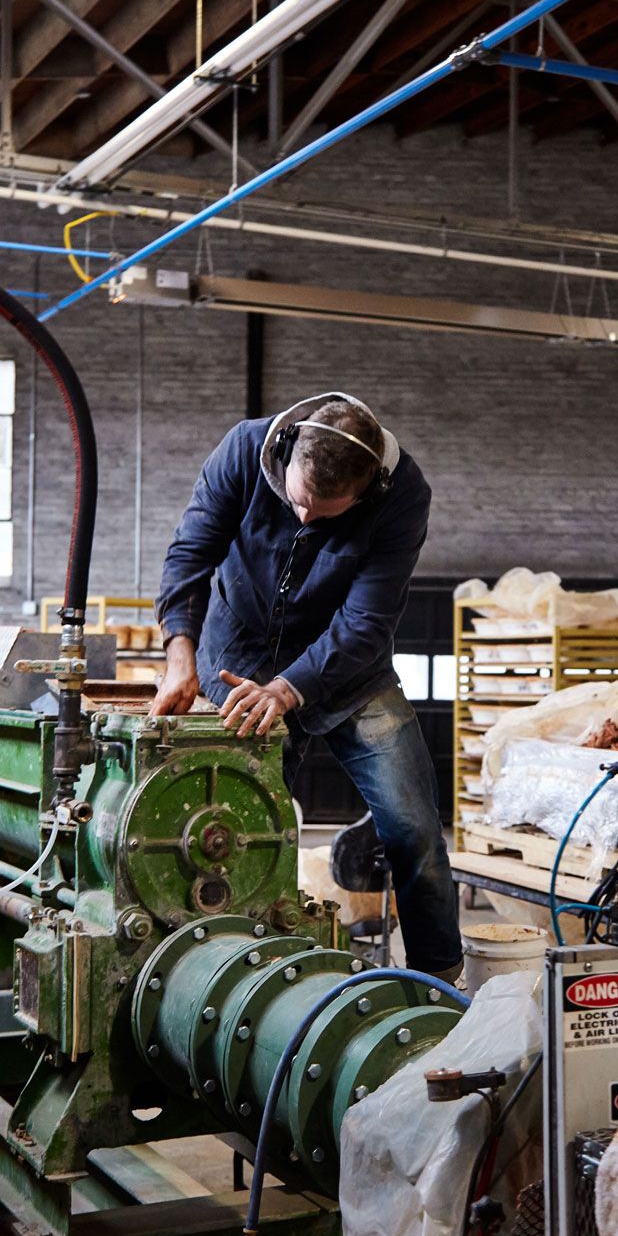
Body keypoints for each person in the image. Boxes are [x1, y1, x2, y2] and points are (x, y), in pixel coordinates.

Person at [152, 392, 463, 982]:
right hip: (235, 662)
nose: (304, 519)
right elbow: (190, 554)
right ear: (287, 454)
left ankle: (442, 979)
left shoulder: (403, 496)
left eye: (325, 513)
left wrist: (289, 690)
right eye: (297, 501)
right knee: (231, 830)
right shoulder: (245, 449)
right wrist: (179, 653)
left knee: (413, 827)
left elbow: (366, 622)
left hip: (349, 672)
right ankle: (228, 978)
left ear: (367, 491)